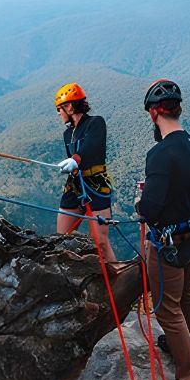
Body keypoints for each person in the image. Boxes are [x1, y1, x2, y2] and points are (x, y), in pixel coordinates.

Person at [136, 78, 190, 380]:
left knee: (167, 309)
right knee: (189, 294)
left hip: (166, 243)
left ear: (154, 114)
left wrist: (144, 195)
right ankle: (185, 347)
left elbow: (148, 209)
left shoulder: (160, 154)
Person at [54, 82, 117, 264]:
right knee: (61, 237)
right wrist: (71, 165)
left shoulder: (95, 123)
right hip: (75, 185)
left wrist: (76, 159)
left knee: (102, 242)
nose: (58, 113)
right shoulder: (67, 134)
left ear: (70, 107)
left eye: (60, 109)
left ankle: (116, 276)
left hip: (96, 184)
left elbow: (92, 145)